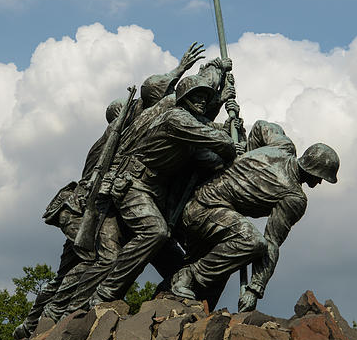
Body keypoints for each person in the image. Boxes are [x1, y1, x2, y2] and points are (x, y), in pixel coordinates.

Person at [11, 44, 207, 339]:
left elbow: (154, 95)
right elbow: (91, 182)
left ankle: (40, 320)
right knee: (93, 262)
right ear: (122, 117)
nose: (139, 112)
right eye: (131, 111)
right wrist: (180, 71)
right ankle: (50, 319)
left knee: (76, 269)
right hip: (83, 210)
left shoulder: (131, 134)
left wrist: (183, 72)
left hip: (101, 208)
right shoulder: (110, 142)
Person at [82, 72, 241, 309]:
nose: (202, 101)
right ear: (184, 98)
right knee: (155, 232)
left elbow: (215, 159)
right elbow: (220, 143)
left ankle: (169, 300)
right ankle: (105, 294)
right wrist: (228, 138)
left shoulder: (190, 130)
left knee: (176, 263)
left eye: (205, 98)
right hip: (133, 184)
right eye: (196, 96)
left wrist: (233, 129)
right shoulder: (176, 118)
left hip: (156, 194)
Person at [170, 120, 339, 311]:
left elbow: (260, 126)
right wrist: (255, 289)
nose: (320, 183)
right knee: (252, 242)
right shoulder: (294, 198)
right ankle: (189, 275)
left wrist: (246, 156)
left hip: (202, 203)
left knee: (218, 277)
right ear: (314, 172)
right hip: (204, 212)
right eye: (322, 177)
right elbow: (271, 242)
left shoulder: (283, 146)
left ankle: (180, 300)